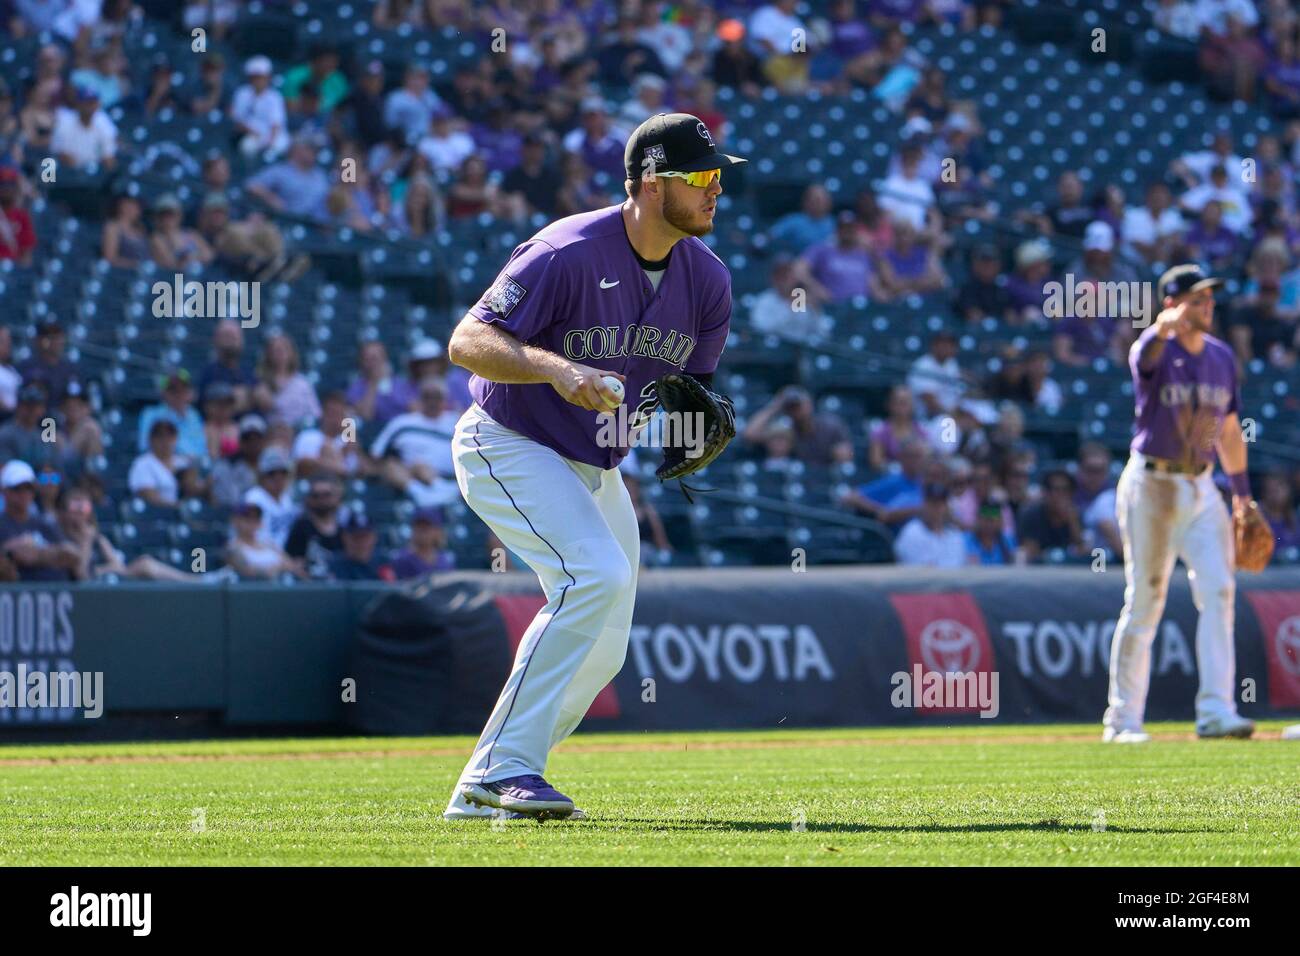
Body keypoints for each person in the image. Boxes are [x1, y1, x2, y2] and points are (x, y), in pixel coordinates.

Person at [440, 112, 744, 821]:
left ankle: (492, 784)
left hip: (595, 465)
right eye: (699, 176)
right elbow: (465, 341)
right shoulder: (566, 251)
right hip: (508, 440)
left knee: (605, 645)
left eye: (719, 179)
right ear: (647, 182)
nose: (714, 191)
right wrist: (554, 369)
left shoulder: (708, 283)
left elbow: (687, 390)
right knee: (595, 576)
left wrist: (694, 427)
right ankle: (503, 769)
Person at [1104, 264, 1258, 743]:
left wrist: (1243, 495)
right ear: (1172, 304)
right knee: (1147, 597)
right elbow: (1143, 357)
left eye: (1210, 299)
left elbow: (1228, 430)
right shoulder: (1153, 348)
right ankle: (1123, 721)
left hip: (1202, 485)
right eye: (1196, 299)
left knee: (1219, 591)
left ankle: (1216, 711)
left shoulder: (1220, 356)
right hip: (1152, 483)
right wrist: (1158, 329)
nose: (1207, 305)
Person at [371, 377, 461, 507]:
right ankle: (420, 493)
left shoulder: (458, 422)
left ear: (445, 399)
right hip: (410, 479)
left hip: (451, 479)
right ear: (420, 399)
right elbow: (377, 453)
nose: (432, 402)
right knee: (390, 465)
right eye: (427, 397)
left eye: (437, 397)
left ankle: (441, 488)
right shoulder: (402, 423)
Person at [0, 460, 79, 581]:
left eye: (28, 488)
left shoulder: (44, 523)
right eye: (17, 489)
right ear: (4, 491)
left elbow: (71, 554)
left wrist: (38, 553)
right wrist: (10, 550)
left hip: (56, 593)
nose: (23, 493)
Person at [742, 385, 854, 466]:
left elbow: (846, 457)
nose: (795, 410)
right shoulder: (785, 428)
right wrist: (775, 406)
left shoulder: (830, 425)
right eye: (790, 407)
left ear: (809, 405)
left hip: (824, 476)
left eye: (798, 406)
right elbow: (750, 434)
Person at [1017, 468, 1086, 563]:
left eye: (1065, 490)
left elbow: (1082, 550)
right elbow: (1030, 551)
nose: (1060, 495)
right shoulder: (1031, 514)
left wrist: (1072, 521)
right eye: (1056, 489)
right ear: (1046, 492)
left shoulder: (1076, 514)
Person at [283, 474, 346, 578]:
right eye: (316, 496)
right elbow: (293, 562)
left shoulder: (345, 528)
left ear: (337, 497)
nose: (322, 500)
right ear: (309, 499)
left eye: (327, 495)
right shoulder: (301, 527)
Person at [252, 331, 320, 427]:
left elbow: (315, 413)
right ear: (268, 355)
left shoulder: (303, 383)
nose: (280, 354)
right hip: (272, 431)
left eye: (284, 349)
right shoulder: (260, 381)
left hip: (299, 430)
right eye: (276, 350)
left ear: (292, 353)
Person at [226, 501, 303, 580]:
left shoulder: (268, 544)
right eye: (247, 518)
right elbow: (248, 571)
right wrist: (280, 568)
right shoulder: (233, 547)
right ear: (235, 521)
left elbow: (293, 566)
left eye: (256, 518)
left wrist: (286, 567)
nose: (252, 522)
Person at [893, 483, 966, 567]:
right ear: (924, 504)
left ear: (946, 507)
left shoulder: (955, 535)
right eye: (932, 503)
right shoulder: (911, 532)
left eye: (941, 503)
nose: (937, 508)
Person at [138, 370, 205, 460]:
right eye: (173, 389)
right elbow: (145, 447)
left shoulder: (194, 415)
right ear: (163, 392)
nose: (178, 394)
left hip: (192, 466)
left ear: (190, 393)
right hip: (161, 464)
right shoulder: (151, 414)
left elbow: (202, 448)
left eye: (183, 389)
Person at [230, 56, 288, 158]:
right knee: (247, 147)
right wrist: (251, 132)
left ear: (268, 78)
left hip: (272, 135)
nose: (259, 81)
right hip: (250, 134)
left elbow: (276, 123)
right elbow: (236, 120)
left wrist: (270, 141)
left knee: (279, 146)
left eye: (262, 77)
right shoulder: (242, 93)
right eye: (255, 77)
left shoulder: (275, 96)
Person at [210, 413, 268, 508]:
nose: (253, 443)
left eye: (257, 439)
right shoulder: (227, 465)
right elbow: (227, 502)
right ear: (240, 441)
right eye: (248, 439)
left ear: (264, 441)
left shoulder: (271, 465)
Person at [244, 446, 297, 548]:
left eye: (283, 473)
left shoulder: (286, 498)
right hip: (261, 555)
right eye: (271, 473)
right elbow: (254, 540)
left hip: (283, 555)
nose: (278, 478)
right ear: (261, 476)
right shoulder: (253, 498)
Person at [18, 320, 78, 404]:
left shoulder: (70, 368)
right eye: (51, 337)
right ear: (38, 340)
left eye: (59, 337)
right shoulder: (26, 366)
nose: (57, 342)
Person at [390, 506, 456, 578]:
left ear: (437, 531)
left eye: (426, 528)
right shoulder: (402, 560)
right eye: (418, 526)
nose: (421, 532)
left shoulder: (444, 561)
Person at [328, 510, 393, 581]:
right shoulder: (333, 565)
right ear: (345, 537)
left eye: (365, 536)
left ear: (374, 537)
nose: (361, 542)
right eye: (356, 537)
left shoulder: (384, 562)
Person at [0, 163, 35, 265]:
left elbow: (27, 257)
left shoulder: (22, 216)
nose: (6, 190)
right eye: (2, 185)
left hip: (10, 266)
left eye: (10, 185)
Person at [965, 497, 1018, 565]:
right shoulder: (965, 541)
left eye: (992, 520)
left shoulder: (1009, 542)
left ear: (1000, 521)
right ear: (977, 519)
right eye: (986, 519)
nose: (989, 524)